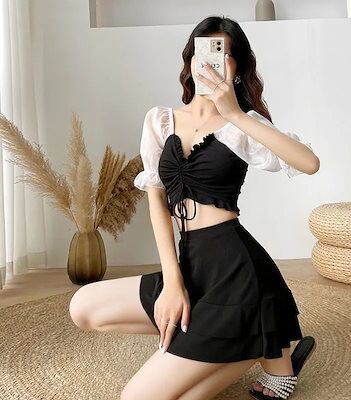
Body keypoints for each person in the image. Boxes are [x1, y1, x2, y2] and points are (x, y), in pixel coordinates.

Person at [69, 15, 319, 400]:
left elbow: (308, 163)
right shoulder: (161, 120)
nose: (211, 63)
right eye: (203, 52)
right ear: (190, 61)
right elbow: (156, 197)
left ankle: (253, 340)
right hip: (190, 266)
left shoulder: (242, 126)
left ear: (237, 68)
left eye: (224, 54)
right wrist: (172, 281)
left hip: (235, 272)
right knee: (83, 307)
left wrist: (235, 113)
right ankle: (252, 341)